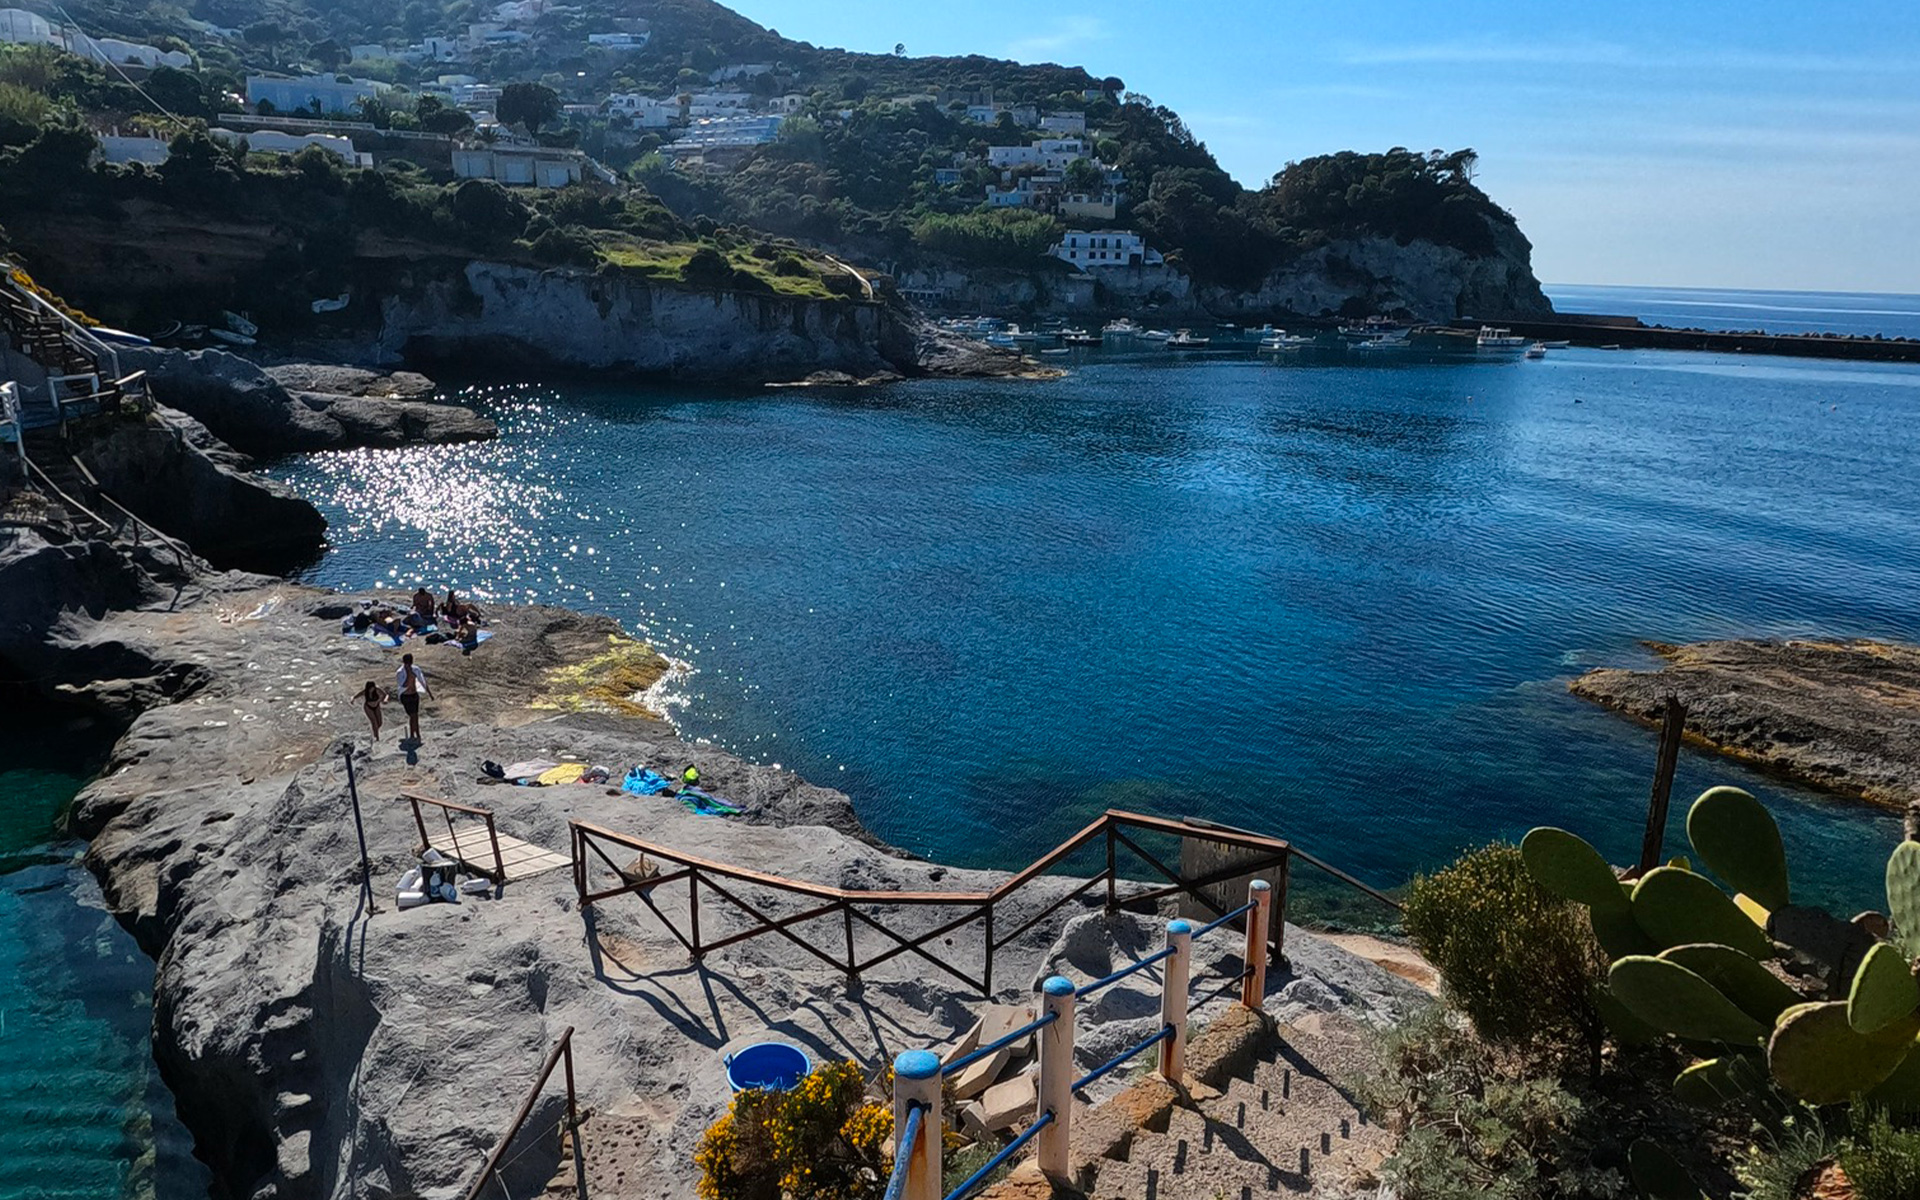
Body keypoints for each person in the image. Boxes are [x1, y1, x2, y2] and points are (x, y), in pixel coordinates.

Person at [395, 653, 433, 743]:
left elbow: (422, 680)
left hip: (414, 695)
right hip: (406, 696)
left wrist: (429, 693)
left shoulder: (416, 669)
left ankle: (417, 733)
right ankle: (412, 734)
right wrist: (408, 675)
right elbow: (403, 685)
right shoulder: (400, 672)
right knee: (412, 715)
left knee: (415, 715)